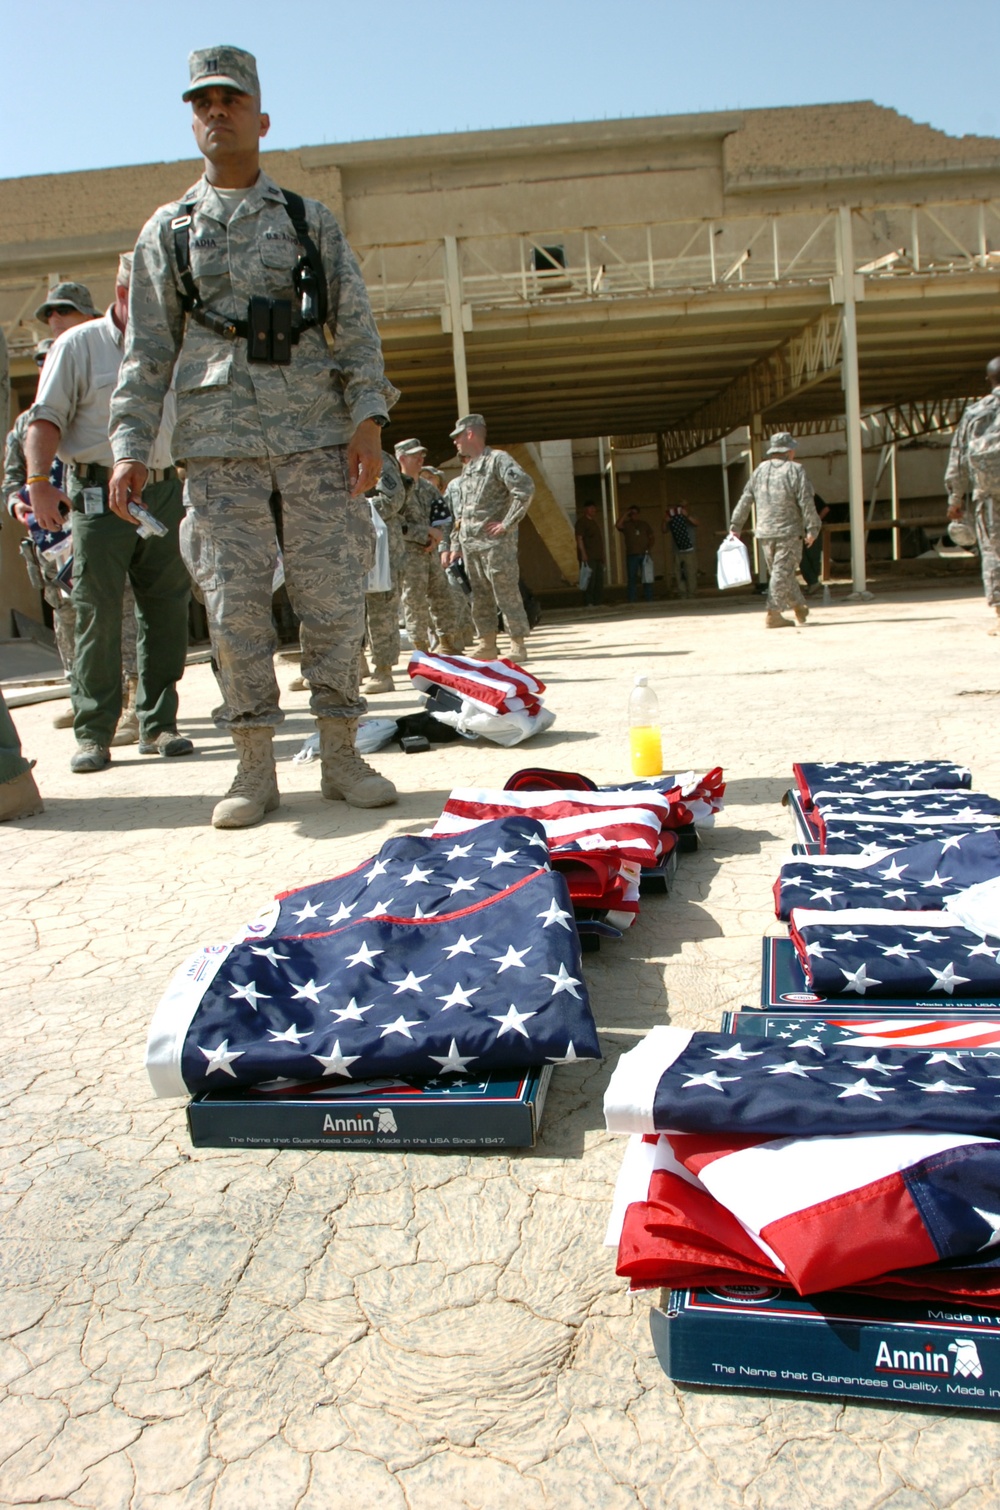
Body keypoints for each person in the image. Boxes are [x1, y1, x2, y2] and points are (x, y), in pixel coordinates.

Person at [108, 46, 399, 827]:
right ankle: (254, 768)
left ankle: (341, 755)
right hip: (217, 443)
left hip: (314, 433)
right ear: (191, 120)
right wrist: (132, 446)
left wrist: (367, 418)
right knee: (234, 604)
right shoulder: (167, 233)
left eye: (230, 100)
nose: (215, 112)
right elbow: (146, 353)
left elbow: (356, 328)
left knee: (330, 596)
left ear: (261, 118)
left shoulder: (309, 221)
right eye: (201, 102)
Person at [26, 254, 192, 772]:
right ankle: (94, 732)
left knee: (166, 610)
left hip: (162, 492)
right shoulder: (78, 345)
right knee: (97, 612)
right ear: (119, 296)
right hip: (98, 493)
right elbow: (45, 418)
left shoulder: (174, 346)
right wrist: (37, 484)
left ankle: (159, 724)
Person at [5, 342, 142, 739]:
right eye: (45, 366)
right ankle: (80, 692)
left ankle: (133, 698)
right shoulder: (25, 427)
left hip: (98, 526)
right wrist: (22, 507)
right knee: (66, 617)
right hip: (51, 542)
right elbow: (11, 484)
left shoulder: (94, 413)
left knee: (121, 606)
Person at [442, 414, 534, 662]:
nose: (455, 442)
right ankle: (487, 643)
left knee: (505, 592)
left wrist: (507, 522)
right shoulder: (469, 468)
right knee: (479, 597)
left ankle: (517, 644)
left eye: (457, 436)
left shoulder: (498, 460)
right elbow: (461, 510)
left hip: (495, 545)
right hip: (471, 545)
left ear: (470, 434)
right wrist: (456, 543)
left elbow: (524, 489)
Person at [729, 431, 821, 628]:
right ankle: (774, 613)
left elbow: (745, 499)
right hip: (788, 532)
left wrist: (735, 525)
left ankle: (798, 606)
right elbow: (806, 501)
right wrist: (813, 528)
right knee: (782, 573)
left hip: (765, 533)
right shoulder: (796, 470)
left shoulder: (759, 471)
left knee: (781, 573)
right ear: (789, 451)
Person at [946, 357, 1000, 635]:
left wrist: (956, 501)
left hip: (988, 495)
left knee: (993, 552)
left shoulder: (975, 412)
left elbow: (957, 460)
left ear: (989, 380)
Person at [396, 437, 463, 656]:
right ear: (402, 458)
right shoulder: (395, 487)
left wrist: (436, 537)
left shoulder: (427, 487)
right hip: (407, 554)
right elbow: (393, 523)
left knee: (442, 596)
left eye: (422, 455)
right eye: (415, 456)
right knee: (414, 601)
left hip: (430, 552)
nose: (420, 459)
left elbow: (443, 516)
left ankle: (447, 642)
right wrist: (424, 532)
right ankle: (421, 648)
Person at [362, 449, 406, 695]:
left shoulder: (376, 457)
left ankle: (383, 669)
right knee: (348, 608)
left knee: (381, 607)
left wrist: (353, 505)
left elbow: (392, 498)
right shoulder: (328, 453)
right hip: (346, 541)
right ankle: (356, 665)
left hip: (380, 545)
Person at [615, 505, 653, 603]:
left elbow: (651, 536)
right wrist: (626, 513)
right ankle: (632, 599)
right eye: (632, 514)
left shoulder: (644, 524)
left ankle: (649, 598)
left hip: (645, 554)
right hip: (632, 555)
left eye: (636, 513)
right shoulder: (626, 524)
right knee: (632, 577)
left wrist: (649, 548)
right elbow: (618, 525)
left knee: (647, 576)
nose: (634, 515)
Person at [34, 282, 98, 339]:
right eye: (48, 313)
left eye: (63, 310)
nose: (54, 318)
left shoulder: (104, 349)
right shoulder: (54, 352)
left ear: (88, 319)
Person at [799, 493, 830, 596]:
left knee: (813, 556)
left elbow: (825, 509)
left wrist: (817, 520)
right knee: (801, 557)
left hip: (812, 529)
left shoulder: (811, 494)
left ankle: (813, 582)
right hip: (799, 529)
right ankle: (812, 582)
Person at [664, 502, 697, 598]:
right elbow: (664, 530)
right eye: (679, 506)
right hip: (677, 550)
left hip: (689, 550)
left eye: (683, 506)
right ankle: (682, 593)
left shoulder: (690, 517)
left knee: (691, 572)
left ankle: (692, 593)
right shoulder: (673, 518)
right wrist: (665, 521)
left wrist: (687, 516)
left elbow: (697, 523)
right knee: (678, 573)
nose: (681, 508)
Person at [575, 502, 605, 606]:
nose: (593, 510)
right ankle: (589, 601)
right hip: (589, 556)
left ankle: (598, 601)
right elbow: (579, 538)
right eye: (591, 508)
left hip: (597, 556)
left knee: (598, 580)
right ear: (585, 509)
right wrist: (583, 553)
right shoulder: (582, 522)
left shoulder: (594, 522)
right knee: (589, 580)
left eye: (594, 508)